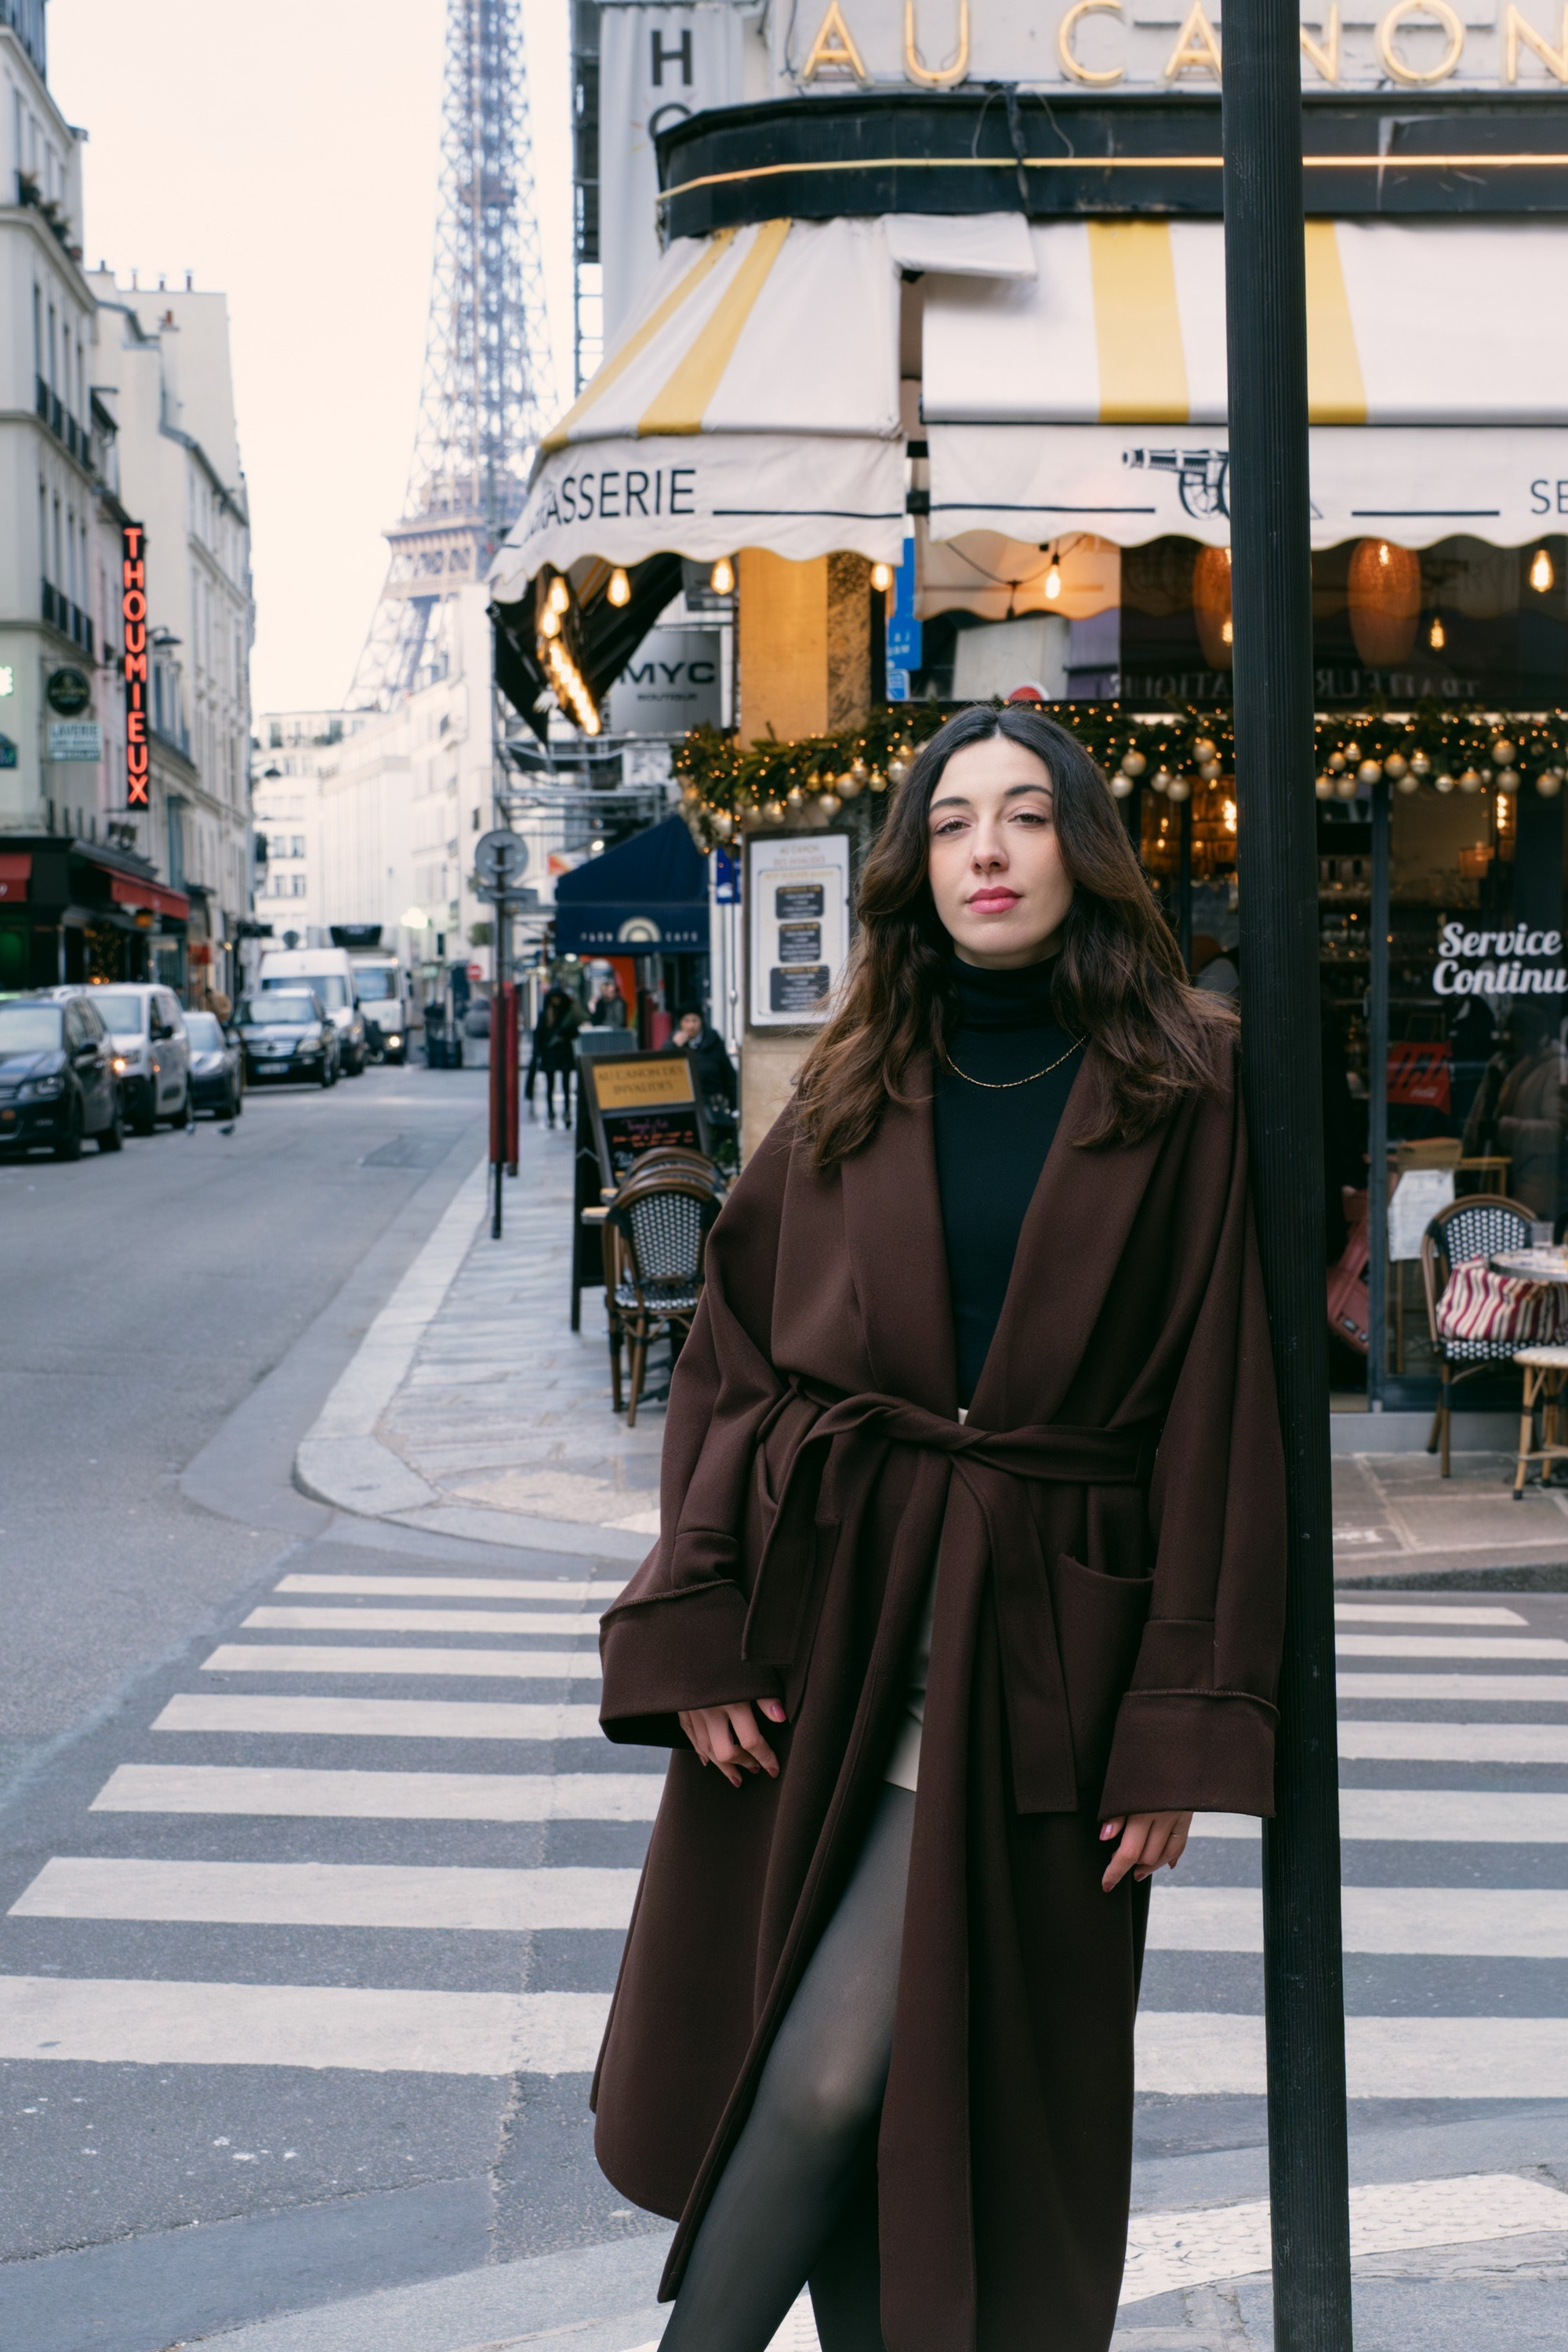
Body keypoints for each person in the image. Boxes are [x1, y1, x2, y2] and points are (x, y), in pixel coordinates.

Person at [591, 703, 1287, 2352]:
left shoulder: (1186, 1079)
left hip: (1039, 1643)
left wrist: (1183, 1721)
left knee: (880, 2088)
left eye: (1029, 815)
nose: (988, 848)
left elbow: (1219, 1408)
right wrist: (695, 1608)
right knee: (841, 2085)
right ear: (916, 861)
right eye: (957, 818)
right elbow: (734, 1357)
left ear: (1083, 851)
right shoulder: (855, 1070)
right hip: (832, 1617)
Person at [527, 985, 581, 1128]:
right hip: (549, 1053)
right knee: (550, 1085)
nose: (556, 1001)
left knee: (566, 1085)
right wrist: (538, 1052)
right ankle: (551, 1112)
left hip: (563, 1052)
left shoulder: (568, 1014)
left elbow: (575, 1033)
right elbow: (538, 1034)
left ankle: (567, 1112)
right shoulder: (544, 1015)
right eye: (554, 998)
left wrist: (565, 1033)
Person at [672, 1004, 737, 1111]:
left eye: (695, 1021)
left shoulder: (713, 1040)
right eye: (687, 1021)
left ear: (701, 1021)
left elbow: (729, 1075)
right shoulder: (673, 1042)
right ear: (681, 1023)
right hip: (685, 1104)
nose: (691, 1026)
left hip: (712, 1103)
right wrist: (674, 1046)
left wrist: (734, 1106)